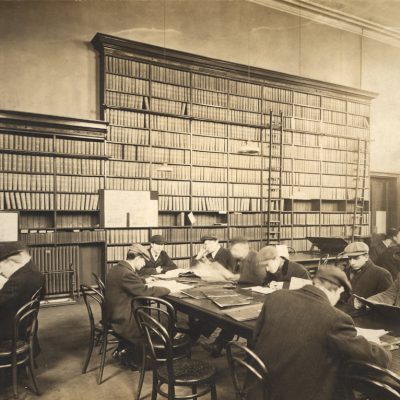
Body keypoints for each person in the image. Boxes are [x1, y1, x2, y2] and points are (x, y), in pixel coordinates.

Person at [251, 265, 391, 400]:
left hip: (261, 387)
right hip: (298, 394)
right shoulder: (335, 318)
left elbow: (255, 338)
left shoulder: (276, 297)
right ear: (339, 290)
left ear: (315, 282)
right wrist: (378, 346)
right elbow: (374, 359)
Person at [105, 243, 170, 364]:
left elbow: (130, 282)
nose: (144, 264)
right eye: (144, 261)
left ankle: (126, 350)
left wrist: (143, 280)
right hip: (123, 318)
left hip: (113, 312)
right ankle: (136, 358)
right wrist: (168, 289)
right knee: (154, 360)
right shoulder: (127, 273)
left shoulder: (118, 268)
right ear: (138, 258)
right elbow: (144, 291)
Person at [201, 237, 264, 357]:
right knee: (229, 317)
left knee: (244, 322)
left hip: (255, 295)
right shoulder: (240, 258)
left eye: (235, 250)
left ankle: (250, 356)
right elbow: (234, 274)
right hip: (242, 291)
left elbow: (260, 279)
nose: (233, 253)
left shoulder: (256, 257)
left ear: (244, 248)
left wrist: (235, 277)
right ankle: (218, 345)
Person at [0, 241, 45, 340]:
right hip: (26, 327)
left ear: (11, 263)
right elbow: (42, 296)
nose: (1, 272)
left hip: (12, 333)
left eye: (0, 267)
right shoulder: (33, 271)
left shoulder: (17, 280)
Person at [342, 242, 392, 306]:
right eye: (350, 258)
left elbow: (386, 302)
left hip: (366, 314)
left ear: (366, 257)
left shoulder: (382, 274)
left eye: (356, 258)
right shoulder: (347, 271)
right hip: (346, 311)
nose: (352, 263)